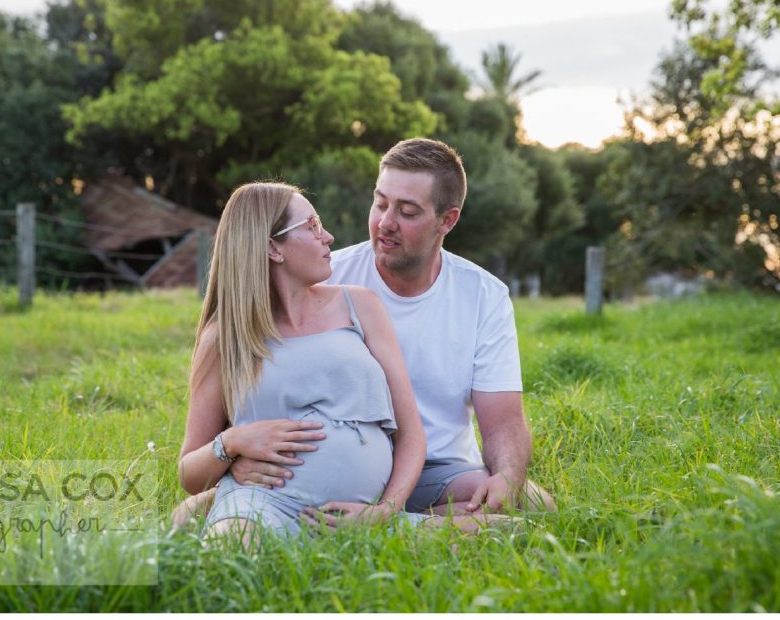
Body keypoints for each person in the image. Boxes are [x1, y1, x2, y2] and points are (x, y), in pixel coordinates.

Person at [172, 138, 554, 529]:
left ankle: (398, 522)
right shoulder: (321, 271)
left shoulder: (481, 295)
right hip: (308, 471)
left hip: (436, 467)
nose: (386, 222)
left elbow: (504, 421)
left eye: (406, 211)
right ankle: (411, 528)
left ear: (447, 220)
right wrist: (232, 454)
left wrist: (505, 478)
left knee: (533, 501)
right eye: (380, 202)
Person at [176, 181, 427, 542]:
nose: (328, 236)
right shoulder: (225, 336)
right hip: (263, 504)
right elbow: (189, 473)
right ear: (272, 247)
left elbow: (412, 434)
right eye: (311, 226)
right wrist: (231, 442)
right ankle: (216, 512)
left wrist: (385, 512)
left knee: (507, 531)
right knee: (231, 551)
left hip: (363, 518)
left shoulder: (361, 305)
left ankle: (200, 514)